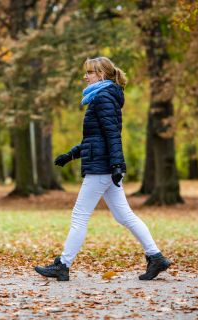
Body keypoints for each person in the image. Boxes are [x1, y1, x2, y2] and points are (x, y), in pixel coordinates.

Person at [34, 57, 170, 281]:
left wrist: (117, 165)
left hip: (102, 167)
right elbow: (94, 138)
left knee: (79, 215)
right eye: (86, 72)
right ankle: (156, 257)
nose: (85, 76)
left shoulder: (104, 97)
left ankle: (63, 265)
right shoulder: (101, 96)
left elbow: (112, 135)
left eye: (90, 72)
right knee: (124, 215)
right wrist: (71, 155)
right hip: (104, 164)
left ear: (102, 75)